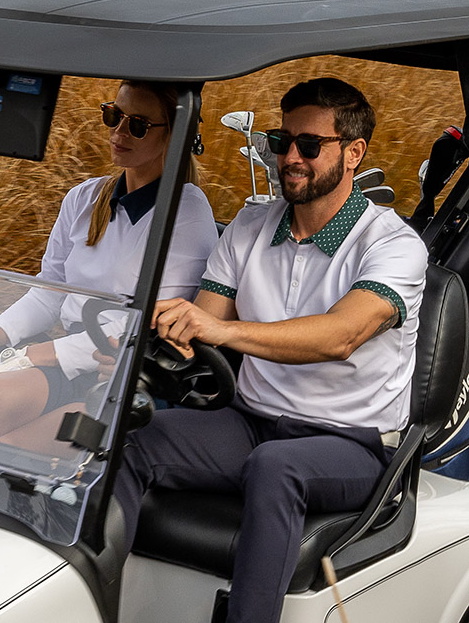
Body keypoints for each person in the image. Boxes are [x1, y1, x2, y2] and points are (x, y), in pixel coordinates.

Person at [112, 77, 428, 623]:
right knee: (133, 434)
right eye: (283, 143)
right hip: (250, 422)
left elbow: (340, 336)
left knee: (277, 468)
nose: (291, 159)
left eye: (310, 146)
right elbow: (203, 325)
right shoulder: (250, 227)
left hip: (350, 443)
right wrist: (151, 345)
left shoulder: (393, 245)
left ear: (354, 153)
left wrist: (224, 335)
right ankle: (95, 597)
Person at [0, 79, 218, 451]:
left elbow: (145, 324)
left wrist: (28, 356)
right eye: (113, 115)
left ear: (174, 136)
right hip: (73, 356)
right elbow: (49, 294)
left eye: (137, 125)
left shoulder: (188, 212)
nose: (119, 132)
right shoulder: (84, 199)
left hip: (123, 372)